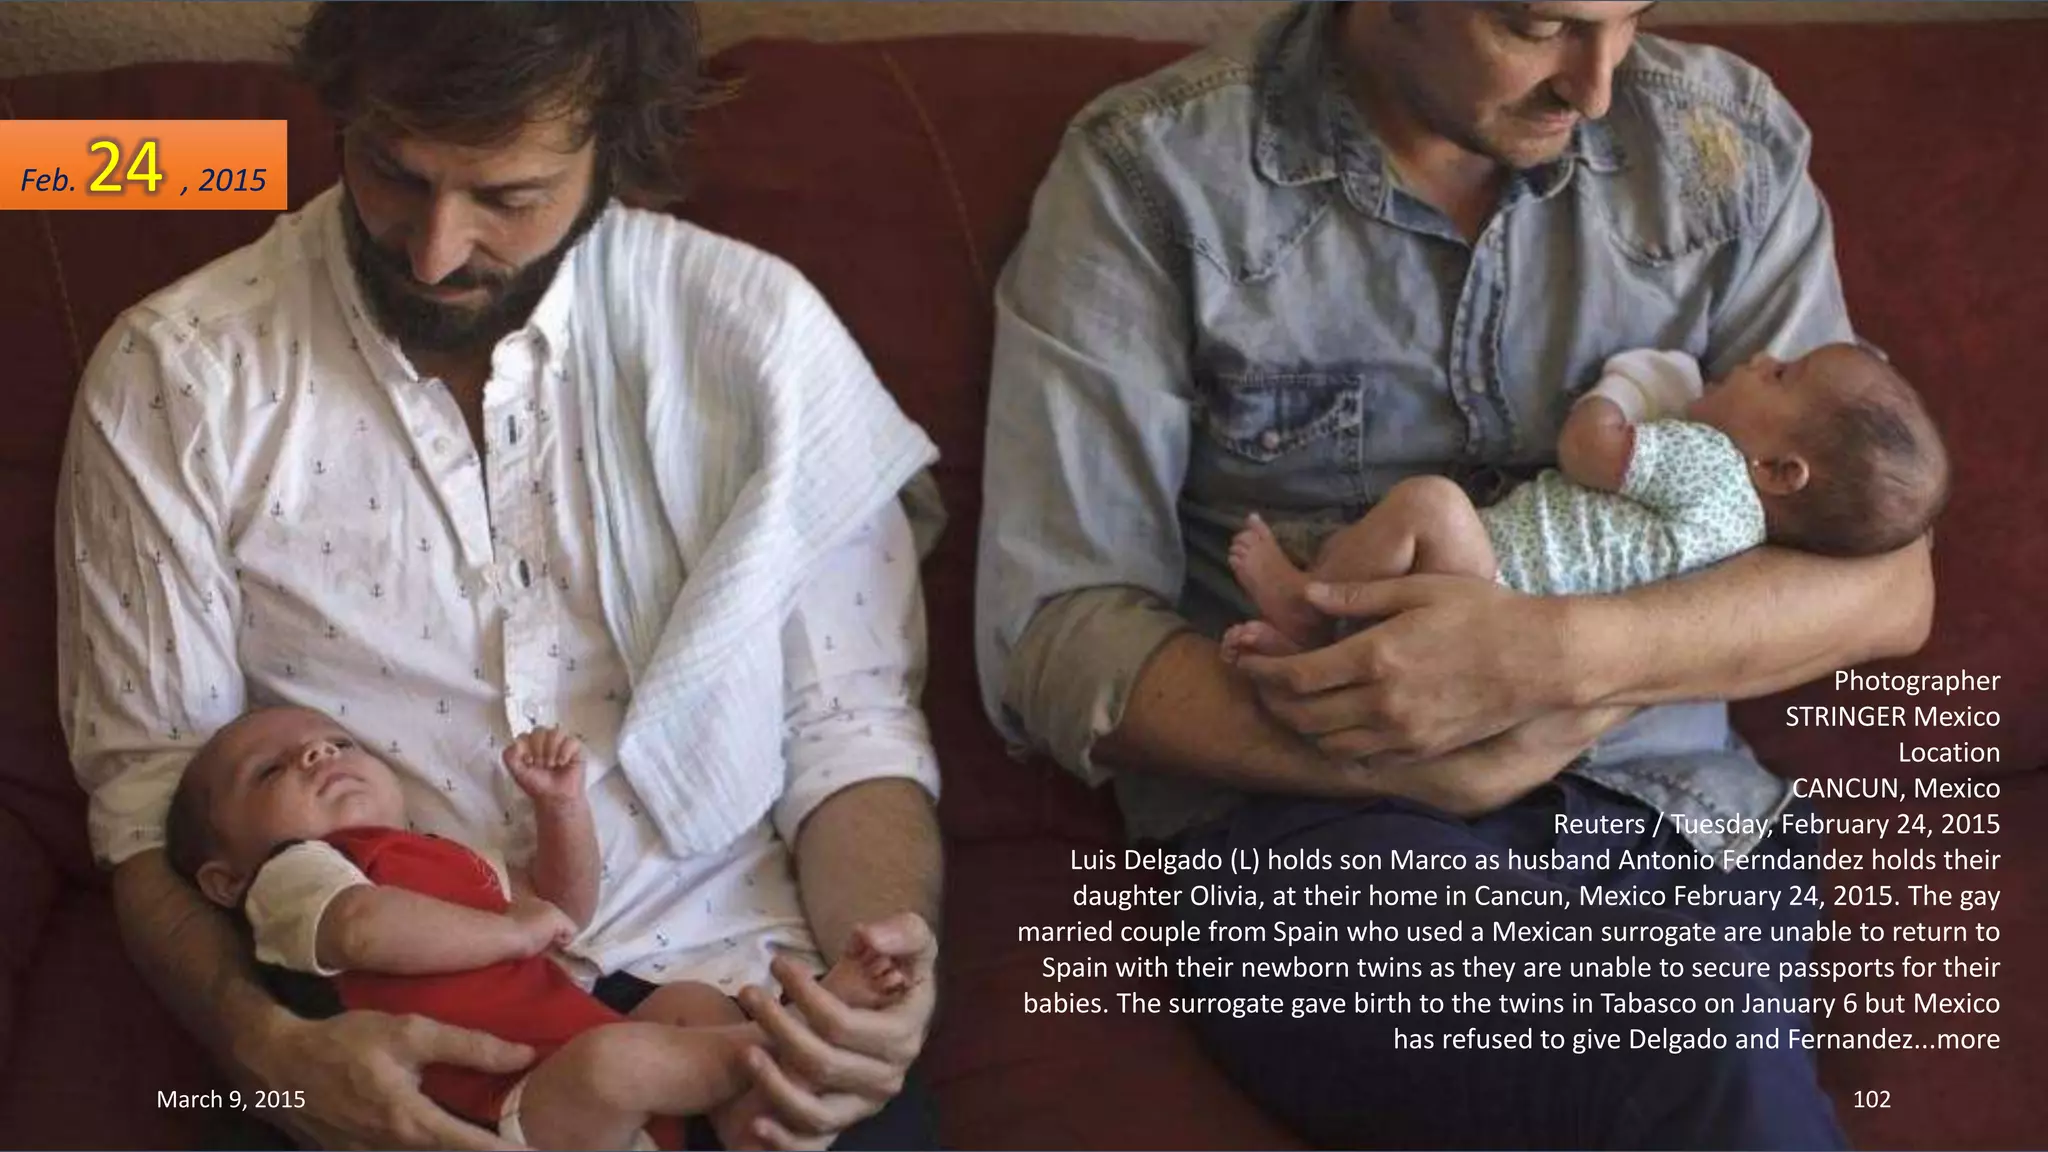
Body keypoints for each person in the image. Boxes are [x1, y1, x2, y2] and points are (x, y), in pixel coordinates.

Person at [978, 3, 1935, 1147]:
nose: (1592, 86)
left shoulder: (1716, 145)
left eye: (1627, 20)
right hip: (1320, 832)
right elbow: (1052, 631)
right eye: (1540, 26)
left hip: (1670, 820)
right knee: (1687, 1033)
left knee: (1692, 1017)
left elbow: (1884, 583)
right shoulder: (1155, 176)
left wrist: (1556, 664)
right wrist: (1417, 756)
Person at [56, 4, 943, 1149]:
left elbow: (850, 734)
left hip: (728, 990)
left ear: (610, 152)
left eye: (508, 199)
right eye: (391, 171)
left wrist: (882, 980)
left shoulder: (756, 336)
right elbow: (146, 804)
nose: (431, 252)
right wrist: (268, 1051)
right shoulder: (177, 372)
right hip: (394, 1033)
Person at [164, 707, 912, 1150]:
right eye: (270, 771)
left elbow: (560, 909)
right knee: (621, 1063)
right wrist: (512, 936)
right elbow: (363, 931)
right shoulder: (296, 876)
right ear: (223, 879)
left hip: (586, 1059)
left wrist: (561, 811)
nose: (317, 753)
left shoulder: (447, 858)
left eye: (338, 742)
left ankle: (766, 1127)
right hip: (502, 1109)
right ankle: (805, 1034)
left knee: (686, 1006)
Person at [1226, 342, 1948, 660]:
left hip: (1495, 591)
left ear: (1781, 471)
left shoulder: (1711, 466)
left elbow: (1590, 448)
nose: (1759, 358)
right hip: (1518, 632)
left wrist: (1633, 384)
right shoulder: (1750, 542)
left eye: (1783, 374)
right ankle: (1307, 656)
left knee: (1431, 505)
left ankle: (1311, 603)